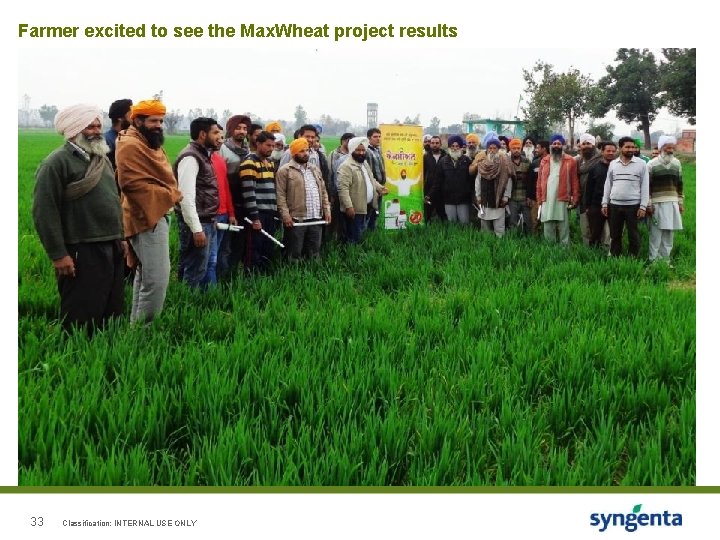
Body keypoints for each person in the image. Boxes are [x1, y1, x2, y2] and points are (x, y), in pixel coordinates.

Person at [32, 104, 126, 333]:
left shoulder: (101, 159)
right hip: (81, 248)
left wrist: (121, 237)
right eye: (89, 127)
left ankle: (107, 350)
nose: (96, 131)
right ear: (73, 129)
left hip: (111, 244)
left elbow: (113, 200)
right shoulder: (56, 163)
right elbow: (44, 211)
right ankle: (77, 351)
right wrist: (58, 255)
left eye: (98, 126)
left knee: (111, 308)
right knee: (82, 311)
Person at [116, 99, 182, 323]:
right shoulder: (130, 145)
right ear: (137, 121)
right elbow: (130, 184)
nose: (159, 125)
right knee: (157, 278)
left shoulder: (147, 142)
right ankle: (145, 328)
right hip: (145, 217)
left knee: (145, 274)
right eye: (153, 121)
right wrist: (169, 195)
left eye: (161, 121)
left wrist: (167, 194)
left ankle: (136, 327)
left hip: (155, 213)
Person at [173, 117, 222, 288]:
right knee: (194, 270)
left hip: (207, 221)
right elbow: (186, 197)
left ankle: (199, 300)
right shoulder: (191, 157)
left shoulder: (204, 155)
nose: (219, 137)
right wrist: (196, 229)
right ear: (202, 134)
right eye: (215, 132)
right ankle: (186, 301)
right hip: (198, 223)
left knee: (205, 266)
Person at [276, 137, 331, 262]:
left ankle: (312, 272)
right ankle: (293, 272)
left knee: (314, 253)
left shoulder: (314, 169)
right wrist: (285, 215)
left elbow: (323, 191)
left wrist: (327, 210)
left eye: (307, 150)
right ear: (294, 153)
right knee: (294, 253)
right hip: (296, 219)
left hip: (316, 217)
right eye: (301, 151)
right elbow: (280, 195)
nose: (305, 153)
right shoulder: (285, 171)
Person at [601, 136, 649, 257]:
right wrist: (605, 203)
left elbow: (645, 186)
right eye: (627, 147)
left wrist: (643, 206)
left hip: (633, 206)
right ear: (620, 148)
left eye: (633, 147)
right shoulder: (613, 164)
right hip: (615, 205)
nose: (631, 149)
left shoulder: (641, 164)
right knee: (615, 234)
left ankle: (633, 258)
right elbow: (608, 184)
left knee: (633, 234)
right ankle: (615, 256)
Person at [239, 131, 278, 272]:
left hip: (270, 212)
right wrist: (255, 218)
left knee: (267, 247)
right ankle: (251, 277)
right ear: (258, 144)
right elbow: (249, 193)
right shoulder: (249, 163)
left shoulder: (270, 163)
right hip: (257, 213)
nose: (271, 148)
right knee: (254, 248)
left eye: (273, 146)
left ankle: (265, 276)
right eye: (268, 145)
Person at [337, 136, 388, 243]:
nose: (361, 153)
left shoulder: (364, 163)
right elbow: (343, 189)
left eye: (363, 150)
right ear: (352, 150)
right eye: (358, 150)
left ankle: (357, 249)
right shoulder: (346, 166)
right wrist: (349, 207)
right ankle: (351, 251)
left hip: (367, 205)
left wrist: (380, 188)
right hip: (355, 208)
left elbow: (371, 179)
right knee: (353, 236)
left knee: (361, 232)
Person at [537, 134, 580, 245]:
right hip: (547, 197)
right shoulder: (544, 160)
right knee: (548, 222)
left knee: (563, 224)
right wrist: (539, 198)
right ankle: (549, 246)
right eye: (554, 143)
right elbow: (539, 181)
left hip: (563, 196)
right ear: (550, 146)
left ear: (563, 146)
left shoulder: (570, 160)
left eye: (559, 143)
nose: (556, 145)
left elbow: (574, 181)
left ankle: (564, 247)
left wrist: (575, 197)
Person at [646, 135, 684, 264]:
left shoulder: (677, 163)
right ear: (661, 148)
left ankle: (665, 261)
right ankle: (653, 261)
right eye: (668, 147)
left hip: (673, 203)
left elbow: (680, 184)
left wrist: (680, 202)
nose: (671, 150)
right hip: (656, 204)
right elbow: (647, 186)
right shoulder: (651, 164)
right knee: (655, 234)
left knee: (669, 234)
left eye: (672, 147)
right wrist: (649, 204)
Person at [208, 127, 236, 283]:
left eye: (222, 137)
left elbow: (225, 187)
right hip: (210, 216)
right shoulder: (198, 159)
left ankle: (218, 286)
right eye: (216, 136)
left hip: (224, 214)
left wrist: (231, 213)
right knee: (210, 259)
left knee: (219, 254)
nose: (220, 140)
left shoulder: (219, 159)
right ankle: (207, 293)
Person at [474, 136, 512, 237]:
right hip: (484, 199)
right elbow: (478, 181)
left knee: (499, 228)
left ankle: (500, 244)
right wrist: (478, 196)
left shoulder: (504, 163)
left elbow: (508, 181)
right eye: (490, 148)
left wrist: (506, 197)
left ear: (498, 149)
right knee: (485, 227)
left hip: (498, 200)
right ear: (487, 149)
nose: (492, 150)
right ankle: (486, 244)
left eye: (494, 148)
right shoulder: (482, 164)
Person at [432, 135, 473, 224]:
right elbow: (438, 180)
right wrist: (431, 194)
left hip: (463, 199)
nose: (455, 148)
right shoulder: (443, 161)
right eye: (452, 146)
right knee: (451, 223)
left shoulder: (466, 160)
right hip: (448, 198)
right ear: (449, 147)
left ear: (461, 147)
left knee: (464, 223)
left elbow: (471, 179)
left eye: (457, 146)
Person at [584, 141, 616, 248]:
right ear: (602, 152)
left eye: (613, 151)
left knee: (614, 232)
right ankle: (594, 253)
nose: (611, 153)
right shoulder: (595, 168)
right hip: (596, 204)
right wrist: (588, 206)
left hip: (614, 204)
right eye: (608, 151)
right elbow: (589, 188)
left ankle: (612, 252)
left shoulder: (618, 168)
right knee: (595, 232)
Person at [575, 133, 603, 246]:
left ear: (594, 145)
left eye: (589, 143)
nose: (586, 146)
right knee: (585, 226)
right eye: (584, 144)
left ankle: (600, 248)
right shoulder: (578, 161)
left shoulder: (601, 158)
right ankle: (587, 249)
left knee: (598, 226)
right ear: (580, 146)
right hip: (583, 198)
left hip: (597, 198)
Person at [507, 138, 531, 234]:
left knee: (528, 221)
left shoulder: (527, 161)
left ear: (521, 149)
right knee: (512, 221)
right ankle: (513, 239)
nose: (516, 150)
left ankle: (529, 239)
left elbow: (530, 180)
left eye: (518, 148)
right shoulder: (506, 161)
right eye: (514, 148)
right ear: (510, 149)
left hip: (525, 197)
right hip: (512, 198)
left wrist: (529, 196)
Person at [365, 127, 386, 230]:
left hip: (380, 186)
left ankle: (372, 230)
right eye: (375, 137)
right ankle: (365, 231)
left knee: (376, 211)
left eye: (379, 136)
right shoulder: (366, 151)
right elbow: (368, 171)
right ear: (369, 138)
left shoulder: (378, 150)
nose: (378, 139)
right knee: (370, 210)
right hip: (372, 186)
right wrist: (375, 185)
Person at [423, 135, 447, 222]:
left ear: (440, 144)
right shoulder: (425, 157)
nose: (434, 145)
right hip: (429, 191)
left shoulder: (446, 156)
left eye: (437, 143)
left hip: (442, 191)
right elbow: (423, 172)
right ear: (430, 144)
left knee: (443, 216)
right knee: (427, 216)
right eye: (432, 143)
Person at [105, 99, 133, 170]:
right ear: (120, 118)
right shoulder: (107, 141)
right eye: (131, 114)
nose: (133, 117)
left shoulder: (133, 137)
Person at [528, 141, 548, 235]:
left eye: (538, 148)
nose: (536, 150)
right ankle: (534, 240)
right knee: (535, 220)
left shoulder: (553, 162)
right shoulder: (535, 163)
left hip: (549, 198)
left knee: (548, 220)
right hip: (536, 198)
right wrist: (529, 197)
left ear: (544, 149)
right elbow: (530, 181)